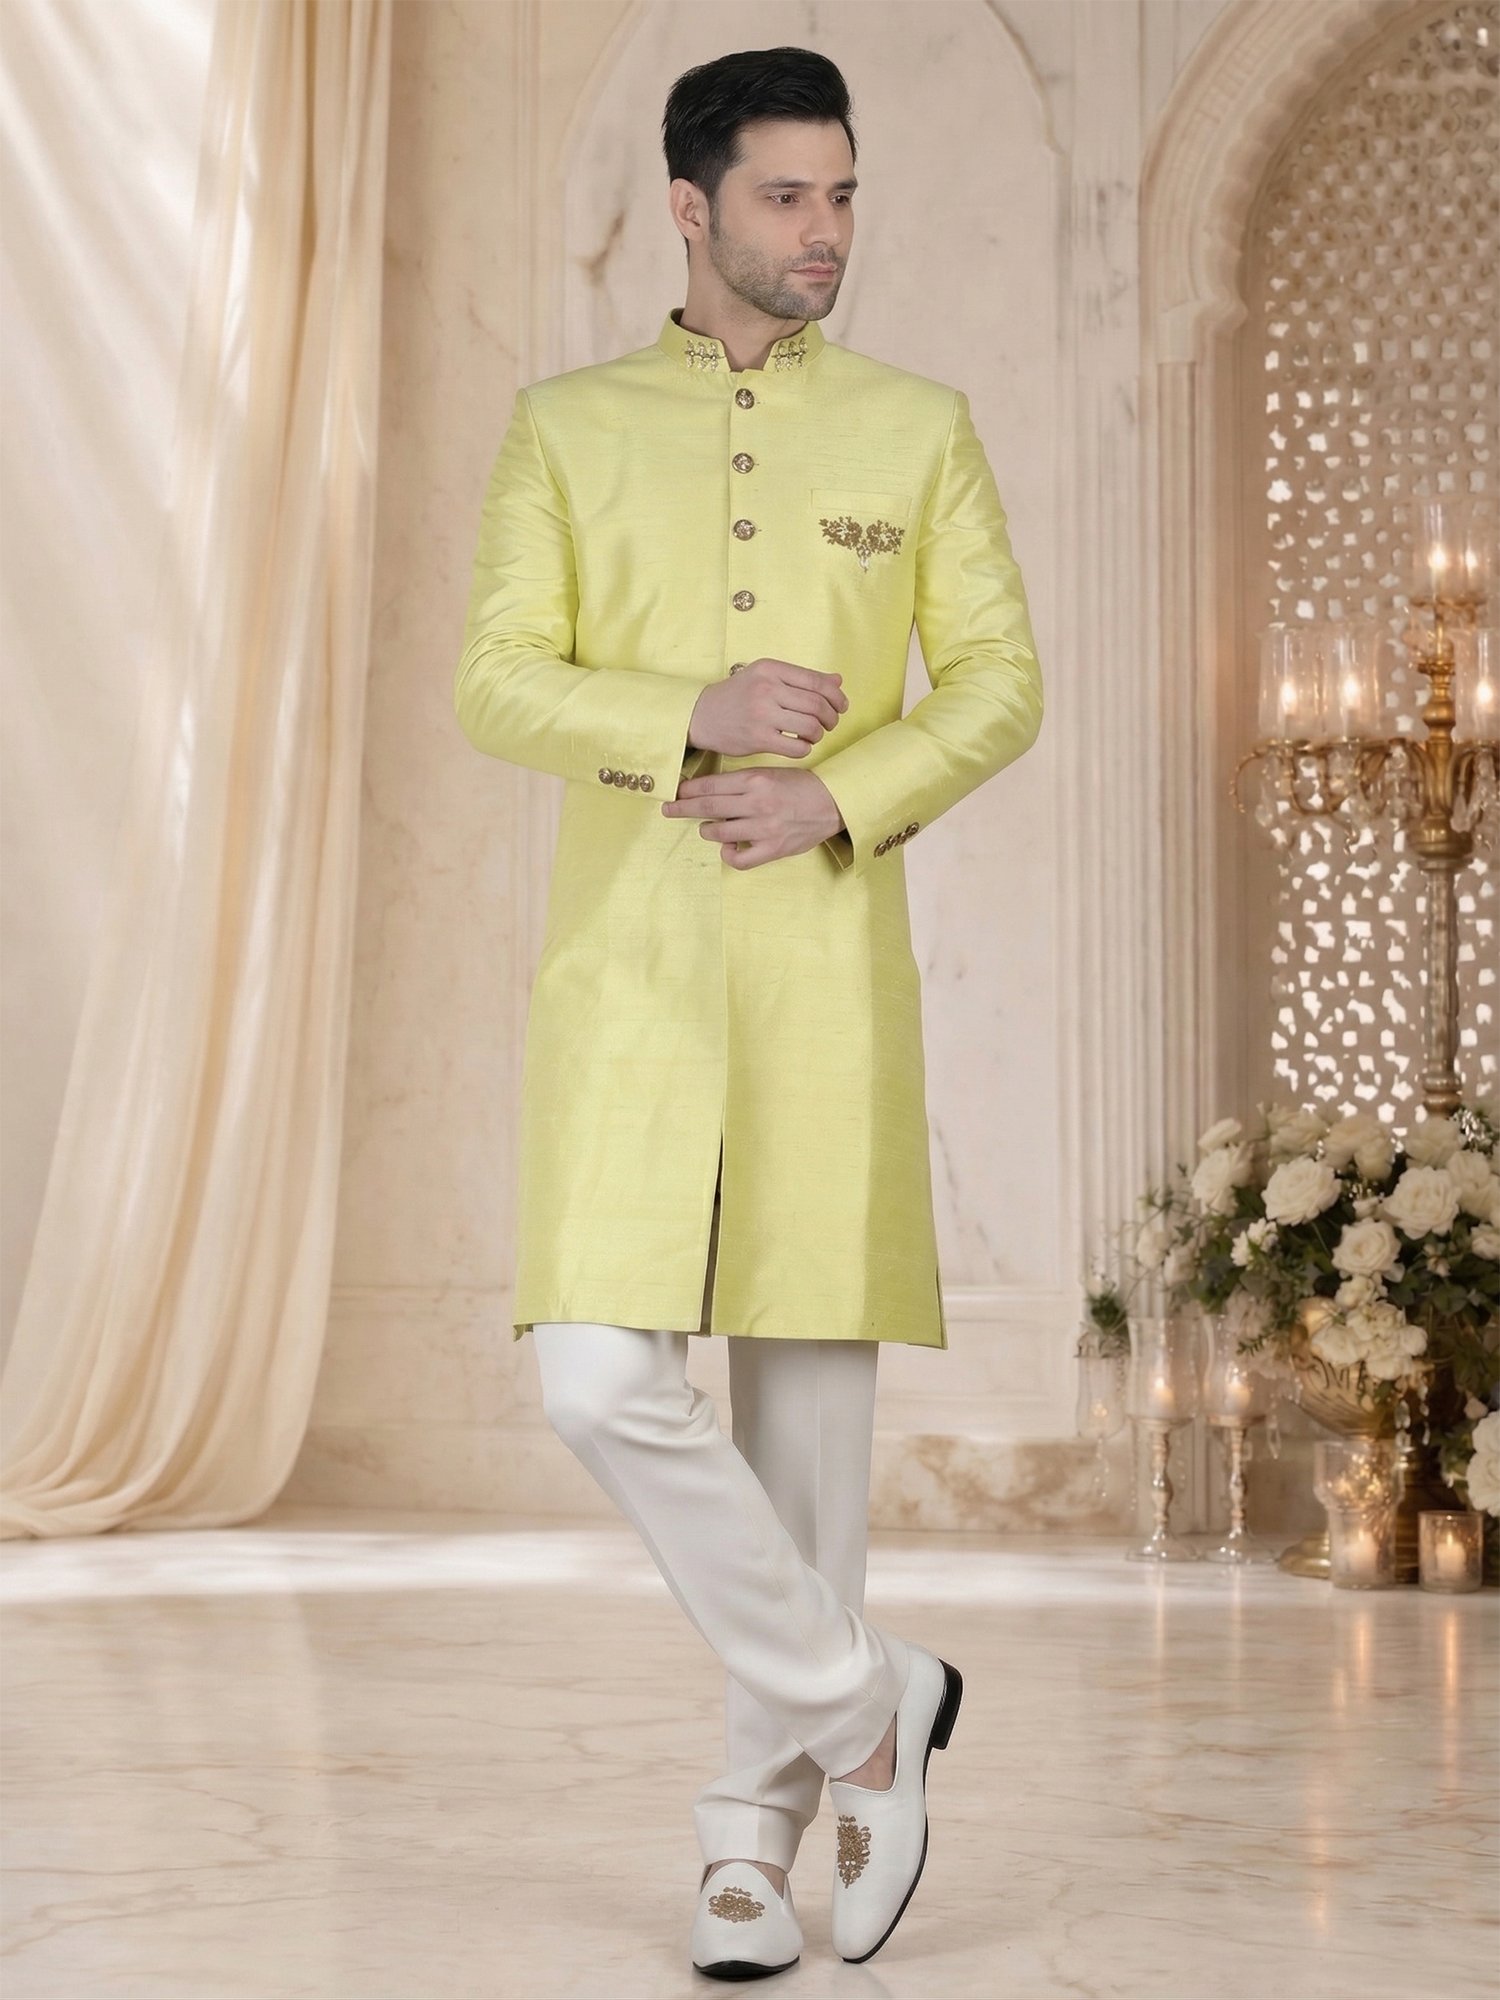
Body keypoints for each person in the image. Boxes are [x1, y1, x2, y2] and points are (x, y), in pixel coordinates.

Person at [454, 44, 1042, 1979]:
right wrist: (687, 717)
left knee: (806, 1452)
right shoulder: (564, 427)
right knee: (594, 1376)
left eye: (844, 193)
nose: (826, 230)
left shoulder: (918, 429)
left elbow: (999, 686)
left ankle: (749, 1842)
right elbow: (498, 679)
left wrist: (838, 797)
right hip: (626, 974)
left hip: (821, 977)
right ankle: (872, 1703)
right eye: (788, 196)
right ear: (692, 208)